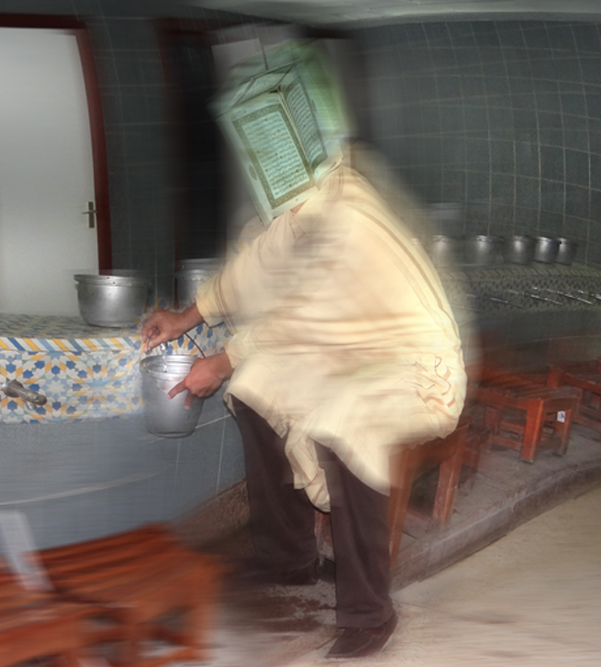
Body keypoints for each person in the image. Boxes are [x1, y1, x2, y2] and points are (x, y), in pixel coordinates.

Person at [142, 152, 466, 659]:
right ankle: (289, 559)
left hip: (418, 366)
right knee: (255, 386)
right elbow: (250, 268)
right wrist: (185, 318)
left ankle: (370, 611)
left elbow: (302, 313)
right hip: (349, 351)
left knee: (348, 420)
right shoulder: (299, 205)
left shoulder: (348, 214)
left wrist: (221, 361)